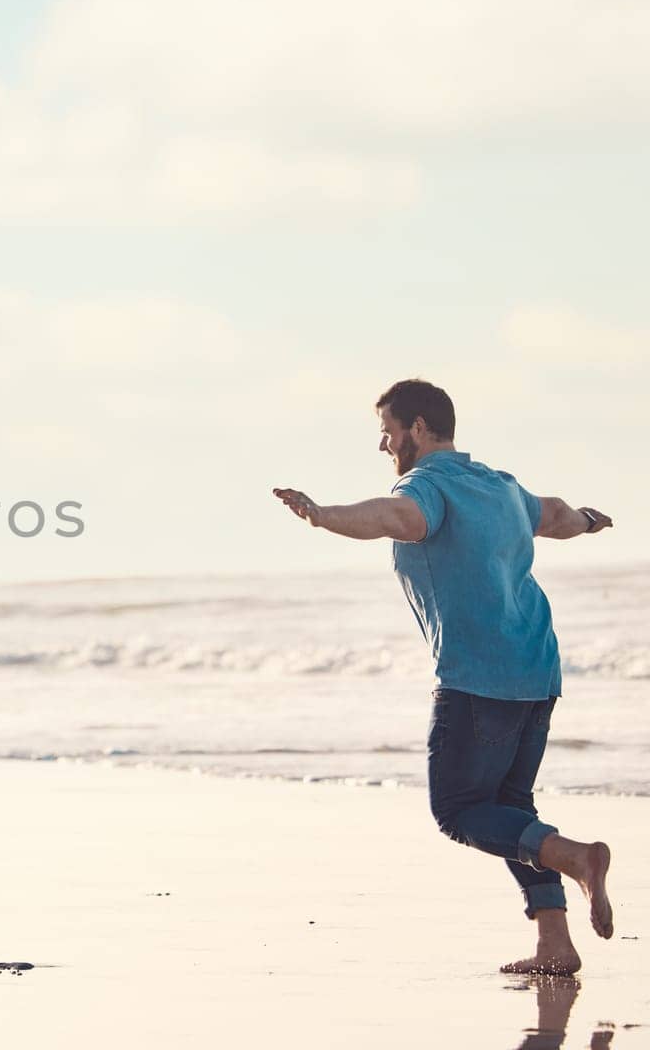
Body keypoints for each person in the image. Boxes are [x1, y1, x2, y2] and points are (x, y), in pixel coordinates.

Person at [273, 378, 615, 975]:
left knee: (458, 811)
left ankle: (577, 858)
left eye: (388, 430)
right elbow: (557, 515)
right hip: (539, 667)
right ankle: (554, 945)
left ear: (420, 429)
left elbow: (395, 517)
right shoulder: (502, 486)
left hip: (478, 676)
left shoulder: (426, 487)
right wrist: (589, 520)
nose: (384, 445)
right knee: (511, 808)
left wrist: (323, 515)